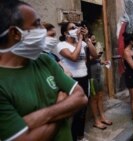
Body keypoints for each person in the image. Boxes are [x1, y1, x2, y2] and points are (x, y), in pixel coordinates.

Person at [0, 1, 88, 141]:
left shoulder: (44, 60)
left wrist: (40, 117)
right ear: (15, 33)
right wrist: (62, 108)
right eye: (36, 24)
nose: (42, 31)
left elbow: (80, 97)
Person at [56, 22, 98, 141]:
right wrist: (80, 39)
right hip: (72, 80)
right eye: (72, 28)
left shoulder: (83, 42)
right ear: (65, 33)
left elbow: (95, 56)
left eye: (76, 27)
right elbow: (74, 57)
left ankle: (80, 136)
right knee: (75, 111)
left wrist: (87, 39)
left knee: (83, 109)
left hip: (84, 77)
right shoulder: (61, 45)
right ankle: (73, 137)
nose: (76, 29)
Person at [88, 33, 112, 130]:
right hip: (91, 77)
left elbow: (97, 60)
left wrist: (103, 62)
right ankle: (96, 120)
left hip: (98, 75)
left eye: (94, 40)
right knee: (93, 99)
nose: (94, 42)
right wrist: (95, 56)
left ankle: (102, 117)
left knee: (100, 96)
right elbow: (86, 61)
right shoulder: (85, 48)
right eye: (92, 40)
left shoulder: (94, 48)